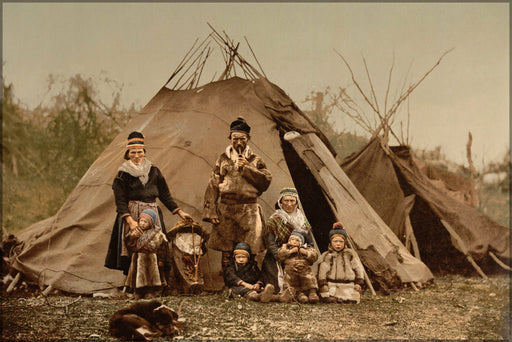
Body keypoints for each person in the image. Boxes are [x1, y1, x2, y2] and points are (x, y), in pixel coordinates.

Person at [105, 131, 193, 282]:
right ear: (128, 154)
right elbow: (120, 201)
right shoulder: (122, 174)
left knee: (155, 246)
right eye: (133, 152)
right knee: (134, 246)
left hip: (152, 214)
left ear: (144, 152)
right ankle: (133, 283)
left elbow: (165, 194)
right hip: (132, 214)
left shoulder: (154, 171)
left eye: (140, 152)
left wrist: (179, 212)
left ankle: (155, 283)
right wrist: (130, 222)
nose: (137, 156)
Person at [203, 117, 272, 274]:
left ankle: (249, 280)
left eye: (242, 138)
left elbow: (265, 181)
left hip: (249, 208)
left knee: (250, 247)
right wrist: (211, 210)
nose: (239, 142)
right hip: (226, 208)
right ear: (231, 138)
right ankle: (229, 284)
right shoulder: (223, 159)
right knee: (226, 249)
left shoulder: (256, 160)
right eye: (235, 138)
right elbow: (213, 184)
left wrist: (248, 168)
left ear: (248, 139)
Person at [261, 187, 315, 294]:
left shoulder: (302, 220)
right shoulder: (274, 220)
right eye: (286, 201)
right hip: (277, 257)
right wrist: (284, 255)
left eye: (292, 201)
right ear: (280, 202)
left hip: (298, 255)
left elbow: (310, 243)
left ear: (296, 203)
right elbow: (270, 244)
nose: (289, 204)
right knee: (277, 286)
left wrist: (304, 253)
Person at [124, 209, 168, 299]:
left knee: (151, 276)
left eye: (146, 222)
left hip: (151, 258)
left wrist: (161, 260)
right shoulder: (135, 232)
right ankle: (138, 292)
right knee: (137, 275)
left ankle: (150, 292)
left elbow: (163, 248)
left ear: (151, 223)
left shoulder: (157, 234)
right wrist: (132, 237)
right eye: (141, 221)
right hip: (138, 257)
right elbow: (129, 245)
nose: (142, 223)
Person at [317, 222, 365, 304]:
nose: (338, 244)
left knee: (352, 296)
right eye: (335, 241)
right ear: (331, 243)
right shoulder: (327, 255)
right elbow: (322, 270)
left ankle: (346, 298)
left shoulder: (350, 254)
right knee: (327, 295)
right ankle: (333, 298)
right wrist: (323, 283)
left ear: (345, 242)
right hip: (331, 284)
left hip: (348, 284)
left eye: (341, 241)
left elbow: (358, 268)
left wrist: (359, 283)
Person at [276, 231, 320, 303]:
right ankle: (300, 295)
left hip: (304, 269)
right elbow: (280, 255)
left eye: (297, 240)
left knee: (309, 278)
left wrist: (305, 252)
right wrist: (290, 251)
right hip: (291, 270)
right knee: (291, 281)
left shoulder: (305, 248)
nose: (294, 242)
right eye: (292, 240)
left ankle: (312, 293)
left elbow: (314, 256)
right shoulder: (285, 248)